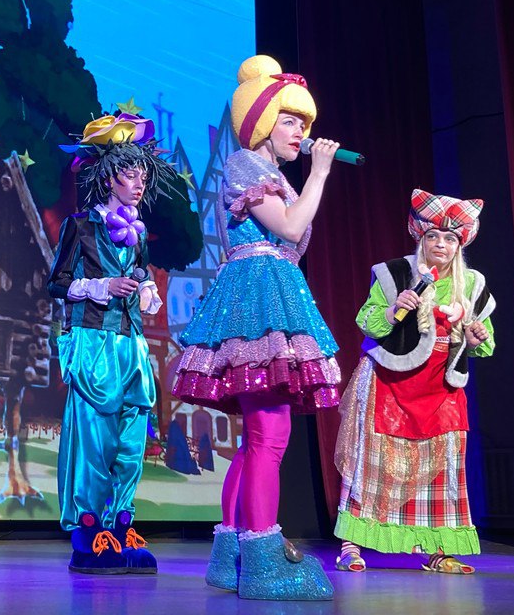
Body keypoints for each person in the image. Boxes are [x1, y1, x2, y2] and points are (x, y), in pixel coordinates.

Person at [172, 55, 340, 600]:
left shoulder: (269, 175)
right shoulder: (247, 164)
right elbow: (290, 227)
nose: (301, 132)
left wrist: (308, 180)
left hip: (270, 290)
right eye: (290, 120)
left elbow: (291, 235)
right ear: (263, 121)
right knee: (270, 435)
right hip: (257, 297)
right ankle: (263, 563)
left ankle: (232, 558)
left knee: (258, 438)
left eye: (304, 123)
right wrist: (319, 173)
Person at [334, 190, 495, 575]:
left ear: (460, 245)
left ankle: (437, 549)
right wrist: (394, 310)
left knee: (442, 467)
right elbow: (366, 321)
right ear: (420, 238)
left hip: (442, 388)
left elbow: (486, 343)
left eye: (450, 238)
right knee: (372, 466)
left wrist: (475, 338)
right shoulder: (394, 274)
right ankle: (351, 545)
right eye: (433, 236)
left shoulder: (472, 284)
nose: (441, 244)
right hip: (390, 382)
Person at [48, 111, 179, 575]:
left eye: (143, 175)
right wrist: (102, 286)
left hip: (130, 345)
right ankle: (88, 535)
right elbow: (57, 283)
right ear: (108, 179)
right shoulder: (81, 226)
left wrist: (146, 288)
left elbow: (140, 274)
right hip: (93, 341)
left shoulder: (137, 233)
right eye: (130, 174)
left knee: (129, 441)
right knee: (93, 440)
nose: (139, 183)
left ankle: (120, 526)